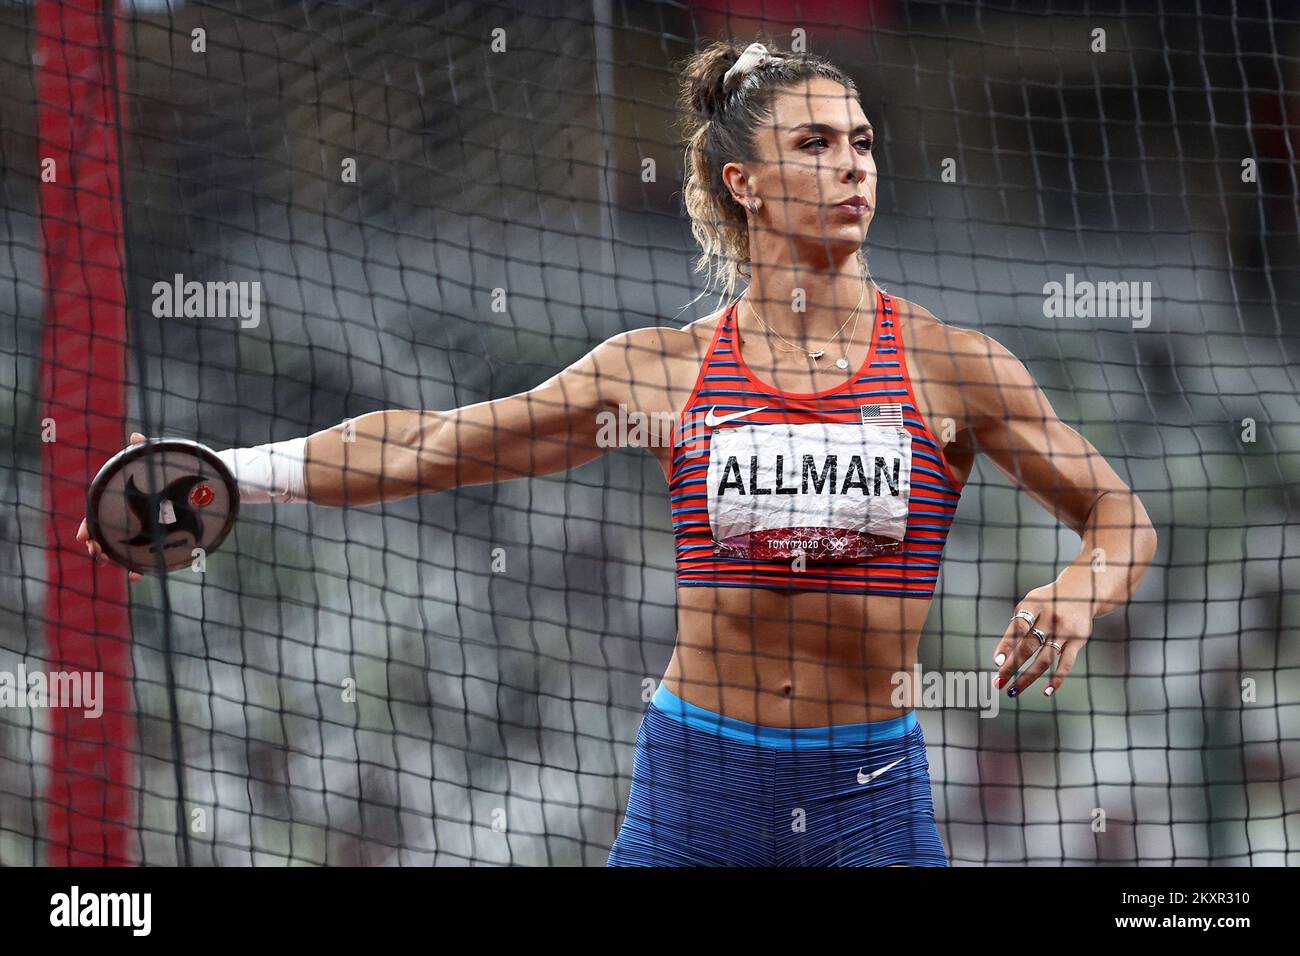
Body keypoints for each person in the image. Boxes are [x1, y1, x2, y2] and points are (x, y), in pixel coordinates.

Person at [78, 39, 1157, 866]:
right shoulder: (657, 371)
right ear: (744, 182)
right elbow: (425, 447)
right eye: (815, 144)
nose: (851, 168)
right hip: (696, 779)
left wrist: (1075, 588)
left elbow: (1122, 519)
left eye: (861, 142)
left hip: (867, 788)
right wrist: (224, 470)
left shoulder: (951, 366)